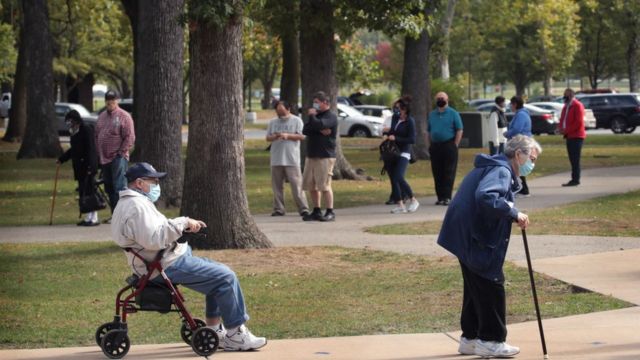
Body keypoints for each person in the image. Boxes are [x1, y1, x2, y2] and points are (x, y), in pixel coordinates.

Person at [111, 162, 267, 351]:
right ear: (139, 183)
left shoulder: (131, 203)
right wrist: (182, 222)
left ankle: (215, 330)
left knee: (218, 274)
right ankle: (236, 335)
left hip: (165, 259)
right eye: (153, 181)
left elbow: (154, 232)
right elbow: (154, 239)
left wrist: (181, 227)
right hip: (166, 264)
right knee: (225, 277)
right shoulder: (136, 206)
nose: (157, 185)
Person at [437, 135, 542, 358]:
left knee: (475, 285)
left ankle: (471, 338)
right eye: (531, 158)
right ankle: (491, 340)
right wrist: (514, 213)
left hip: (465, 232)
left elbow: (490, 199)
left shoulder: (497, 167)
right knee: (491, 283)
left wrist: (510, 213)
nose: (532, 163)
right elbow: (487, 196)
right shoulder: (502, 170)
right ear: (518, 155)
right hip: (473, 235)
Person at [95, 89, 135, 218]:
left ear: (117, 100)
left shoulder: (124, 116)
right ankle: (114, 214)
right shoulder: (101, 116)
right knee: (109, 188)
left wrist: (121, 152)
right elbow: (97, 134)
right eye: (108, 100)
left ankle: (122, 216)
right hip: (104, 158)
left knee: (119, 187)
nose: (110, 103)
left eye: (112, 100)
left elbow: (130, 137)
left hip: (118, 157)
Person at [266, 100, 310, 217]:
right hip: (276, 158)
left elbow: (302, 136)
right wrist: (275, 136)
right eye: (278, 111)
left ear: (288, 109)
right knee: (277, 186)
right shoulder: (273, 122)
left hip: (291, 158)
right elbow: (268, 138)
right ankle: (279, 209)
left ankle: (303, 208)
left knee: (297, 185)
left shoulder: (296, 120)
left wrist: (288, 135)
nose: (280, 113)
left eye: (282, 111)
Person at [57, 110, 100, 226]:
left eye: (70, 121)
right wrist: (62, 159)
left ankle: (94, 217)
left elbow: (91, 149)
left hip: (88, 166)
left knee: (90, 191)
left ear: (75, 120)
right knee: (83, 192)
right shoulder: (74, 133)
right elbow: (74, 150)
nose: (69, 124)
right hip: (80, 168)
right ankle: (88, 216)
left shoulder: (86, 130)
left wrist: (92, 166)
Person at [302, 91, 338, 222]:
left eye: (317, 102)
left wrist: (315, 123)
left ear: (325, 103)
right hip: (311, 154)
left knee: (324, 185)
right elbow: (305, 130)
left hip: (325, 155)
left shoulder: (331, 116)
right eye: (314, 102)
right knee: (311, 185)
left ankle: (330, 211)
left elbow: (320, 125)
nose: (315, 105)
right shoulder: (315, 116)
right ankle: (316, 210)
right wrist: (317, 126)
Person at [382, 96, 420, 214]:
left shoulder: (410, 121)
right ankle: (400, 204)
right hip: (393, 151)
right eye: (395, 107)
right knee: (394, 178)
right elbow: (392, 130)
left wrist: (396, 137)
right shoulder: (394, 118)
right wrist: (386, 134)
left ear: (405, 109)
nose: (396, 109)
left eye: (398, 107)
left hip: (404, 152)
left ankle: (413, 199)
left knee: (399, 176)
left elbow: (412, 139)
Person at [427, 91, 463, 206]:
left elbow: (459, 129)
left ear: (447, 100)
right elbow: (428, 130)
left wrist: (455, 144)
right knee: (437, 172)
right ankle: (440, 197)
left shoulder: (453, 113)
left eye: (442, 98)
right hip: (435, 146)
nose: (440, 100)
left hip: (449, 145)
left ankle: (447, 197)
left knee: (448, 171)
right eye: (438, 98)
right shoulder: (432, 114)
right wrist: (430, 143)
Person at [503, 96, 532, 197]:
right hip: (522, 143)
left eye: (511, 104)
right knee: (517, 166)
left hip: (521, 144)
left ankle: (524, 190)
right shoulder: (521, 114)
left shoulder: (521, 115)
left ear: (515, 104)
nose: (510, 106)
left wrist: (506, 133)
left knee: (518, 165)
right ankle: (522, 188)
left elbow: (516, 129)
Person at [557, 88, 586, 187]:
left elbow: (578, 123)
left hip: (577, 136)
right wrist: (560, 128)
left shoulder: (577, 105)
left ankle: (575, 179)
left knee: (575, 159)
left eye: (566, 95)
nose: (564, 97)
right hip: (569, 135)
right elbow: (563, 119)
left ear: (570, 95)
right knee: (572, 158)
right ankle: (574, 178)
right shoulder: (566, 106)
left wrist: (566, 130)